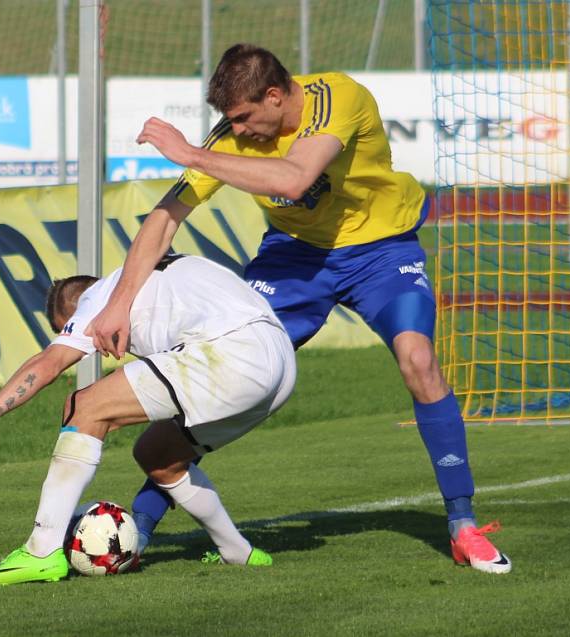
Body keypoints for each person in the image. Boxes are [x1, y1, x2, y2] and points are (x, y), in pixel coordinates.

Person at [88, 44, 511, 574]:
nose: (237, 131)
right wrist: (120, 305)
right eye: (229, 121)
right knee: (223, 372)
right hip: (293, 259)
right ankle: (139, 528)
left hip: (382, 250)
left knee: (418, 360)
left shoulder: (338, 97)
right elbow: (165, 218)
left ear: (274, 95)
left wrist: (191, 152)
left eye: (243, 118)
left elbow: (293, 178)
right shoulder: (234, 133)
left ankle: (463, 525)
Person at [0, 253, 296, 585]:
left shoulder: (96, 299)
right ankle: (237, 551)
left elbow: (49, 364)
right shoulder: (157, 273)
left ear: (75, 311)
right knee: (158, 455)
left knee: (84, 407)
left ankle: (41, 550)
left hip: (231, 354)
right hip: (280, 363)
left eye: (68, 330)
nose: (87, 344)